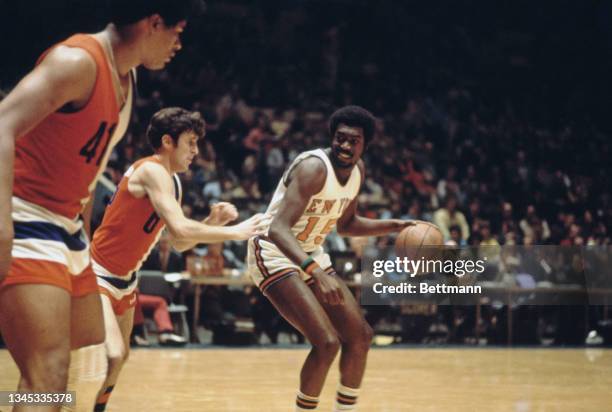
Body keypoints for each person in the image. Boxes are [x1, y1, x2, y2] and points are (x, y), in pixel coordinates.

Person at [0, 1, 200, 410]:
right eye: (177, 32)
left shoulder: (125, 80)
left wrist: (81, 243)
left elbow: (85, 174)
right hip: (25, 215)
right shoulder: (78, 61)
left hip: (66, 228)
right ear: (153, 22)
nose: (179, 44)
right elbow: (3, 125)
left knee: (85, 352)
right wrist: (2, 224)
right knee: (51, 371)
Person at [90, 107, 266, 412]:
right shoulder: (150, 170)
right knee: (112, 355)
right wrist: (238, 231)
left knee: (120, 359)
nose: (196, 152)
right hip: (97, 274)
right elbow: (182, 228)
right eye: (191, 143)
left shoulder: (174, 182)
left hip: (127, 281)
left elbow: (180, 243)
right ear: (168, 142)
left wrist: (213, 221)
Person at [246, 105, 415, 411]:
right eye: (341, 138)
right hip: (272, 251)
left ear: (366, 144)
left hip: (310, 254)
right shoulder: (314, 168)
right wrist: (316, 272)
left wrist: (397, 225)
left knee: (361, 337)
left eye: (354, 140)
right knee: (326, 343)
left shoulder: (358, 172)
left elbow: (347, 225)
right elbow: (277, 229)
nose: (346, 146)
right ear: (332, 137)